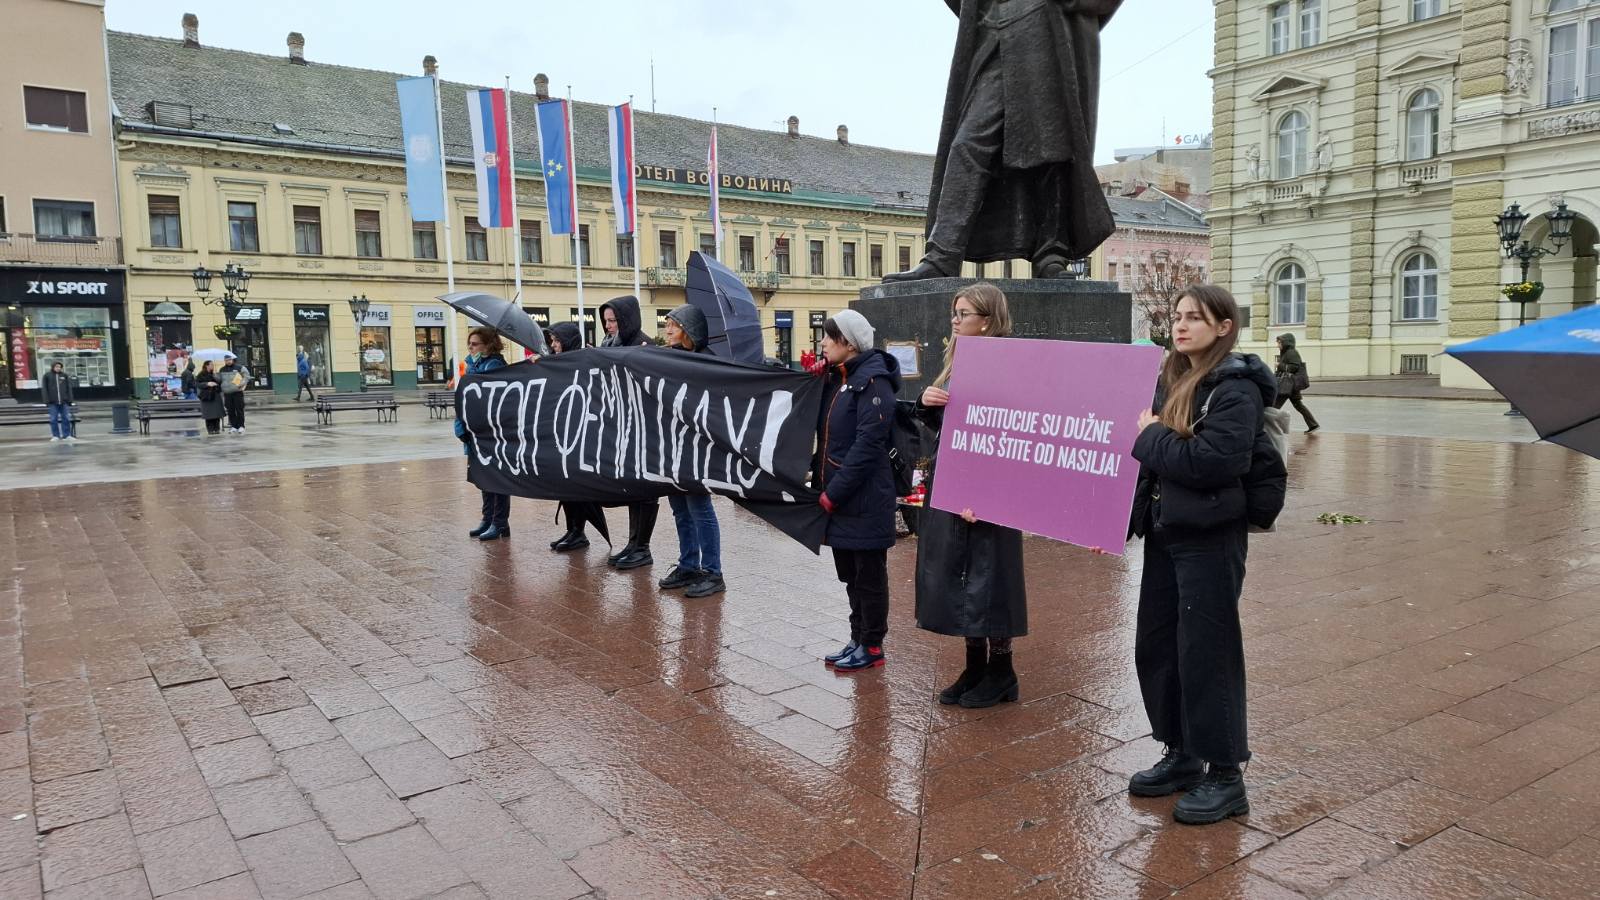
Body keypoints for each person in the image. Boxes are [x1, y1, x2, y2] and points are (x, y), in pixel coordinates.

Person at [1127, 285, 1277, 826]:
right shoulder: (1171, 377)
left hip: (1210, 538)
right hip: (1168, 532)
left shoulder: (1235, 389)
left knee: (1206, 653)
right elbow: (1156, 467)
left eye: (1196, 317)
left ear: (1224, 327)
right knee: (1159, 645)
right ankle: (1182, 753)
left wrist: (1148, 438)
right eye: (1179, 316)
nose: (1182, 325)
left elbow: (1214, 461)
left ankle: (1226, 774)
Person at [913, 284, 1028, 705]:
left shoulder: (1007, 364)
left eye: (964, 313)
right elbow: (953, 430)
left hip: (991, 494)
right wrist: (927, 403)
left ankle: (1002, 670)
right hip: (957, 488)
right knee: (963, 579)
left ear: (989, 320)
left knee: (990, 579)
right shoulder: (958, 361)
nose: (956, 320)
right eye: (954, 313)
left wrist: (987, 492)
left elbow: (1008, 432)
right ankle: (975, 665)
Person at [815, 309, 901, 672]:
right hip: (843, 498)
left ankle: (873, 645)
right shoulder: (843, 377)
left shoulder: (873, 382)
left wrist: (834, 492)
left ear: (848, 343)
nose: (822, 342)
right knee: (850, 574)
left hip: (862, 498)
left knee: (869, 575)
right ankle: (857, 638)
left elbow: (868, 444)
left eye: (828, 337)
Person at [655, 305, 727, 598]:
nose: (667, 330)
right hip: (673, 447)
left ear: (689, 329)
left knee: (699, 508)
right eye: (667, 325)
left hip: (697, 450)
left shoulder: (707, 362)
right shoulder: (672, 356)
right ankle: (689, 564)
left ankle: (713, 571)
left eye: (673, 325)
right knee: (680, 509)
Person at [600, 295, 659, 570]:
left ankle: (642, 547)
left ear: (626, 319)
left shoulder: (645, 345)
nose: (609, 326)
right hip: (624, 427)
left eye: (613, 320)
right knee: (632, 489)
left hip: (645, 429)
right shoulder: (609, 345)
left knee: (646, 489)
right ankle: (633, 543)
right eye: (606, 321)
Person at [544, 322, 609, 553]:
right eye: (552, 341)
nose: (553, 345)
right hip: (564, 432)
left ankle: (578, 532)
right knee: (565, 486)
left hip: (580, 434)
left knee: (576, 486)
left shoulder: (581, 361)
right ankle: (573, 529)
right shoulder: (557, 362)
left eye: (557, 340)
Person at [456, 327, 512, 541]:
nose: (471, 348)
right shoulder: (472, 365)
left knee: (497, 479)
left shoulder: (494, 366)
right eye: (469, 344)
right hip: (476, 431)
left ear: (488, 345)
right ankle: (488, 518)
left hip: (491, 432)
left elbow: (489, 399)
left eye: (475, 344)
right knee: (484, 477)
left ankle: (499, 522)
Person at [1273, 333, 1318, 433]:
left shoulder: (1291, 353)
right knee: (1298, 405)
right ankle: (1313, 424)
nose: (1277, 344)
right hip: (1290, 385)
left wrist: (1280, 365)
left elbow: (1294, 367)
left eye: (1279, 342)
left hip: (1288, 385)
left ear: (1286, 342)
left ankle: (1269, 427)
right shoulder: (1285, 352)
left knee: (1273, 407)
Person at [40, 361, 75, 442]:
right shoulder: (47, 376)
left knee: (66, 418)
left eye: (59, 367)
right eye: (56, 367)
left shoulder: (64, 375)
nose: (58, 368)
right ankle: (55, 435)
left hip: (64, 401)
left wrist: (70, 400)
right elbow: (44, 389)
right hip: (53, 402)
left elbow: (68, 388)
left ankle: (67, 435)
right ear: (53, 367)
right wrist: (46, 400)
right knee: (53, 419)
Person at [218, 353, 250, 433]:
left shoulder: (240, 367)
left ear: (232, 360)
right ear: (224, 361)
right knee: (230, 410)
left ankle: (241, 426)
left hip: (237, 393)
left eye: (229, 360)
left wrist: (242, 384)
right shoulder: (222, 369)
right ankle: (234, 426)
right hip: (227, 393)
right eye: (226, 360)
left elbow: (247, 376)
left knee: (239, 410)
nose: (228, 362)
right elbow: (220, 380)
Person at [196, 360, 224, 435]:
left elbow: (219, 382)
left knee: (216, 414)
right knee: (209, 415)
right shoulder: (201, 374)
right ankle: (210, 429)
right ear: (206, 365)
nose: (212, 366)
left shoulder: (214, 374)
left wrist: (216, 377)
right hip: (207, 397)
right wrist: (207, 384)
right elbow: (198, 384)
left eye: (213, 365)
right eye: (211, 365)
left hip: (215, 396)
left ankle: (217, 428)